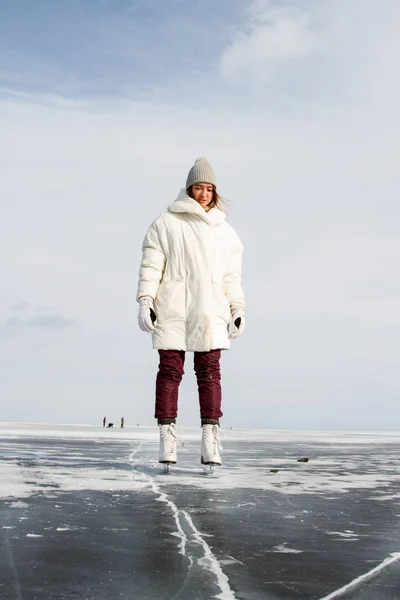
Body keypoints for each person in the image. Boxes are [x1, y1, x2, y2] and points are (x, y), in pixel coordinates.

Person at [136, 157, 245, 468]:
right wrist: (146, 299)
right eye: (199, 187)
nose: (204, 194)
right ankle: (167, 436)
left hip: (210, 309)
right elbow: (151, 265)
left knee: (210, 373)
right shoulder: (166, 223)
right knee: (170, 371)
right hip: (173, 306)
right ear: (189, 189)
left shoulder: (226, 232)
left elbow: (231, 276)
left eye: (210, 188)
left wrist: (238, 307)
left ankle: (210, 439)